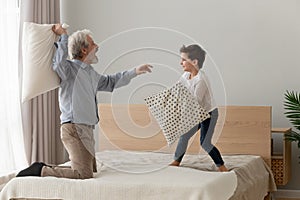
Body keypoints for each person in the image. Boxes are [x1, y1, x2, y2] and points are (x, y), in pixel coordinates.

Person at [17, 24, 153, 179]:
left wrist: (134, 72)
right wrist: (63, 36)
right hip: (74, 128)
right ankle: (41, 170)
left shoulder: (91, 73)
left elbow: (110, 82)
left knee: (91, 171)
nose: (97, 46)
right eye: (93, 44)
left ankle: (49, 168)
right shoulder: (68, 69)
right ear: (84, 50)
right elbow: (58, 63)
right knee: (84, 174)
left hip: (87, 130)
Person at [169, 44, 228, 172]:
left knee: (205, 143)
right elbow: (177, 89)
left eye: (184, 60)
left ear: (194, 62)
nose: (181, 62)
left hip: (208, 114)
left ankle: (222, 167)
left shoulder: (201, 80)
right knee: (184, 136)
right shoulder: (185, 76)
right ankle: (176, 161)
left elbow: (194, 102)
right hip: (195, 113)